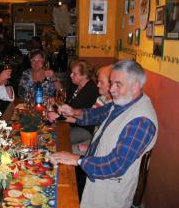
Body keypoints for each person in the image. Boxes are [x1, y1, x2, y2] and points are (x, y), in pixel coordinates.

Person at [49, 60, 158, 208]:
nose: (112, 89)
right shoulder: (123, 102)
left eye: (118, 84)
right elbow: (96, 114)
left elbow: (115, 165)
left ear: (136, 85)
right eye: (111, 83)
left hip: (109, 192)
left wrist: (77, 160)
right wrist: (73, 112)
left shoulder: (141, 121)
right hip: (96, 173)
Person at [66, 59, 99, 144]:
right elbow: (66, 103)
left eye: (75, 74)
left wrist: (60, 115)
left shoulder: (91, 90)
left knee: (61, 139)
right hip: (71, 123)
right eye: (71, 72)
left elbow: (74, 111)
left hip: (84, 128)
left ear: (84, 75)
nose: (71, 75)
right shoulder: (75, 85)